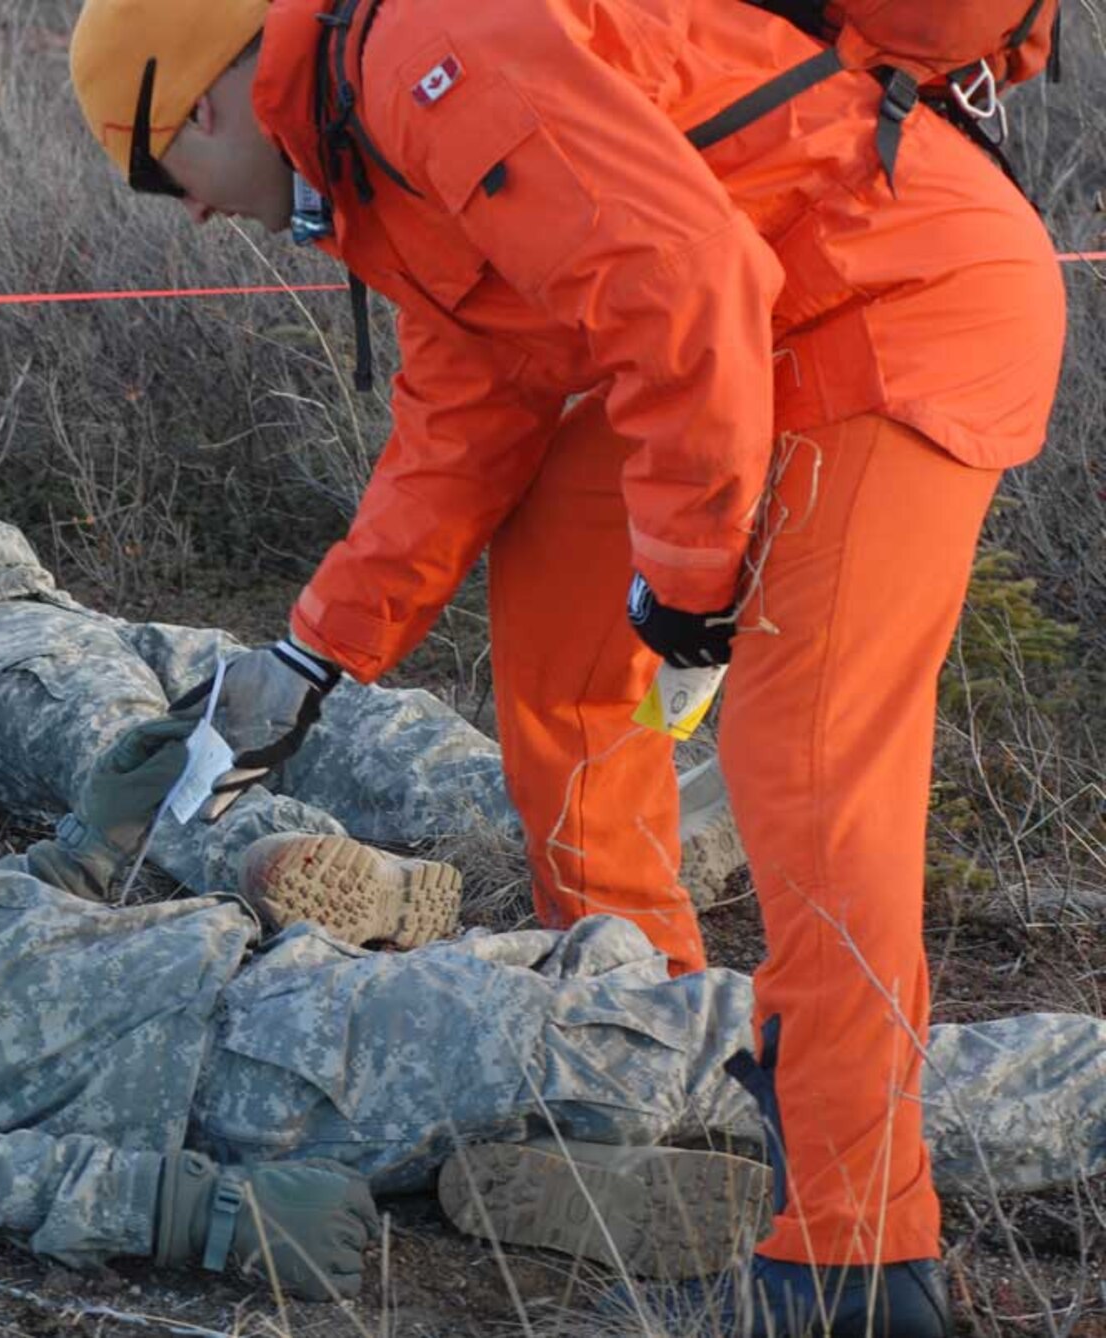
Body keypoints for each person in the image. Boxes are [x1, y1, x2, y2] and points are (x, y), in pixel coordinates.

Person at [66, 0, 1066, 1328]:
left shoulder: (422, 56)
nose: (184, 214)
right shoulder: (377, 166)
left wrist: (695, 585)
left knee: (807, 772)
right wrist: (306, 659)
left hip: (891, 299)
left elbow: (684, 272)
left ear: (193, 99)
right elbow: (461, 430)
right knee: (557, 634)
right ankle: (641, 1036)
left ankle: (854, 1258)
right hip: (752, 340)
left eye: (157, 174)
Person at [0, 723, 1106, 1305]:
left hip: (274, 1006)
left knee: (633, 1011)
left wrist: (86, 846)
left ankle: (571, 1181)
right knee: (735, 1046)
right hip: (274, 1061)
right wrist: (196, 1211)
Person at [0, 507, 744, 913]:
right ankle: (304, 869)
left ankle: (607, 820)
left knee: (343, 708)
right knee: (135, 751)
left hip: (65, 610)